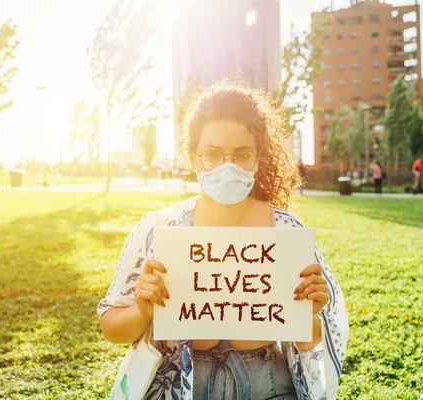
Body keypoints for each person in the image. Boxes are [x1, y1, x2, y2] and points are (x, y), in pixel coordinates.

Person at [97, 81, 349, 400]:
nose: (227, 166)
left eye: (242, 154)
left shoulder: (287, 232)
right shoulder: (158, 229)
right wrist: (143, 312)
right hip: (179, 384)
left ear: (257, 159)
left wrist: (308, 313)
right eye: (212, 154)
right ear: (192, 158)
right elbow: (111, 326)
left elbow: (310, 342)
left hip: (269, 385)